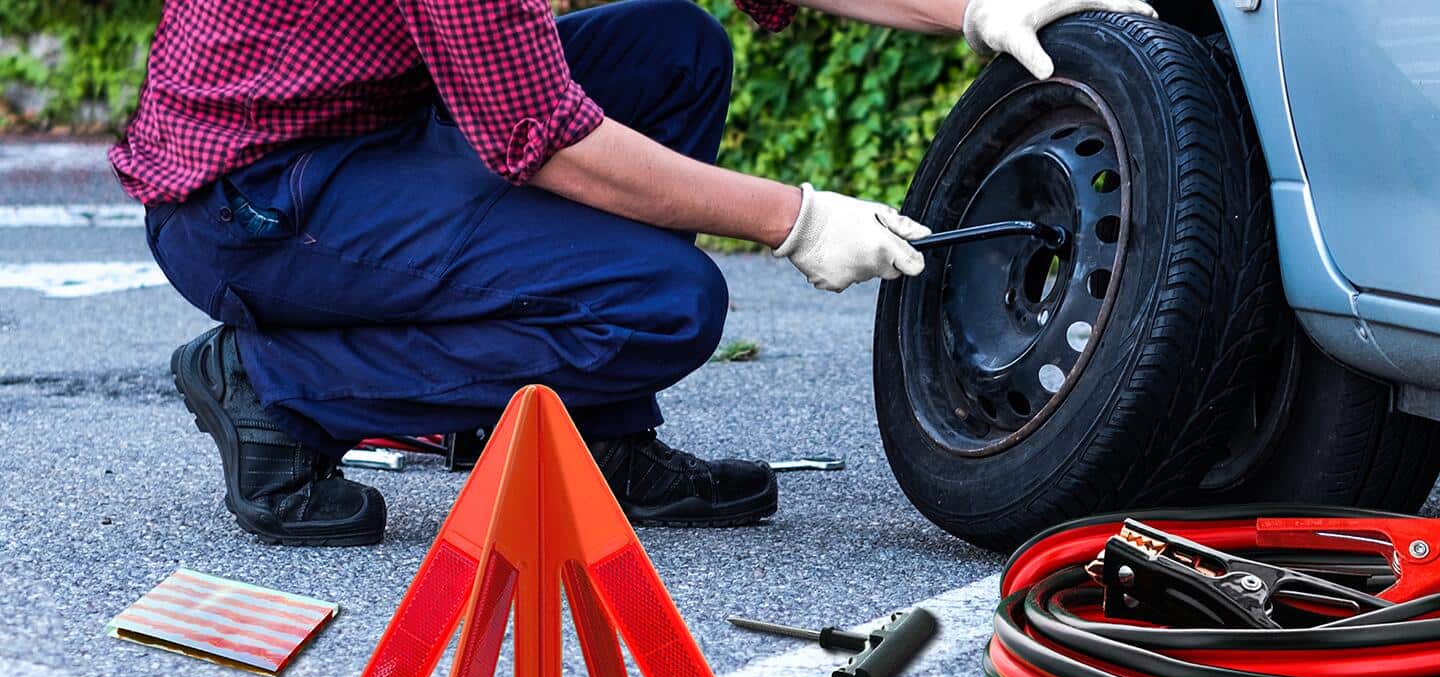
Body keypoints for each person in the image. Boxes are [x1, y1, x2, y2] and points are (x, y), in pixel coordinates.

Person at [113, 0, 1156, 546]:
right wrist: (796, 221)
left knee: (676, 49)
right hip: (247, 200)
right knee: (662, 305)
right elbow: (545, 138)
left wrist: (979, 4)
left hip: (367, 130)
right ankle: (273, 388)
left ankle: (593, 435)